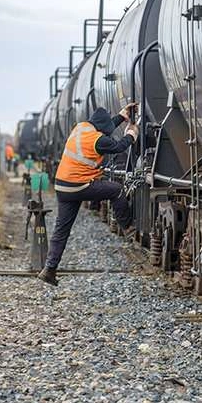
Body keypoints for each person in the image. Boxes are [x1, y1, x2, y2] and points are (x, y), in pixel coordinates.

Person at [37, 103, 139, 285]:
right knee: (116, 190)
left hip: (63, 186)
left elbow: (104, 129)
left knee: (61, 230)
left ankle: (49, 269)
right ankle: (127, 227)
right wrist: (131, 135)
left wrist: (121, 117)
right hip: (79, 185)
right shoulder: (97, 140)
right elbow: (117, 146)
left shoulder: (81, 128)